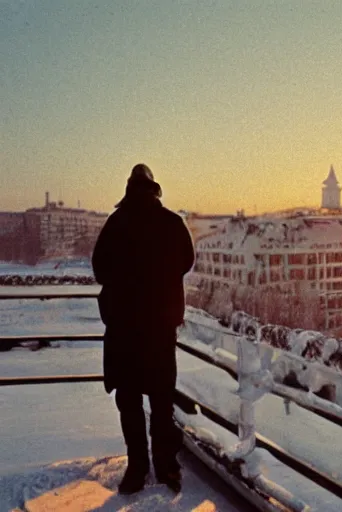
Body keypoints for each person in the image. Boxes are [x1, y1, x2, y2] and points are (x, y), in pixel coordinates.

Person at [92, 164, 195, 494]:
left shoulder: (116, 223)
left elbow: (99, 269)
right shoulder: (172, 223)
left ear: (128, 190)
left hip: (124, 332)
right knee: (161, 402)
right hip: (160, 330)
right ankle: (166, 467)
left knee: (130, 402)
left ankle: (137, 469)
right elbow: (186, 262)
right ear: (155, 190)